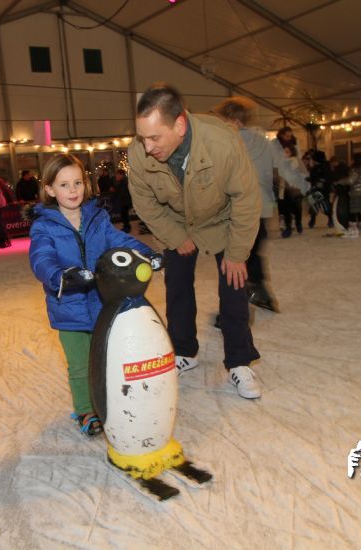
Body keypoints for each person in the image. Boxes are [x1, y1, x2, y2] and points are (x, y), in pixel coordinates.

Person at [128, 82, 262, 399]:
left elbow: (246, 198)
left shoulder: (222, 142)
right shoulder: (138, 152)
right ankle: (184, 351)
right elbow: (144, 203)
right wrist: (175, 237)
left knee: (233, 284)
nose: (146, 147)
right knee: (176, 284)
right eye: (142, 137)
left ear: (179, 125)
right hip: (176, 220)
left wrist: (237, 253)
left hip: (222, 219)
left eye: (154, 137)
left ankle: (239, 361)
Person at [28, 154, 157, 435]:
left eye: (77, 182)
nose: (72, 190)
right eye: (64, 185)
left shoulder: (97, 217)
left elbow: (120, 240)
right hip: (68, 308)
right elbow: (41, 258)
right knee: (80, 365)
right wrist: (60, 276)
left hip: (101, 304)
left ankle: (110, 401)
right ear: (50, 189)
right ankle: (86, 409)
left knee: (108, 359)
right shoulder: (44, 225)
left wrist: (146, 254)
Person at [211, 96, 279, 312]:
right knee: (253, 253)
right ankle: (260, 292)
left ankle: (234, 309)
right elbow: (272, 173)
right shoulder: (263, 142)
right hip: (262, 208)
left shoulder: (229, 142)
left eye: (223, 120)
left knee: (234, 259)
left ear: (234, 120)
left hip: (239, 210)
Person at [344, 153, 361, 238]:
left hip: (355, 194)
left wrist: (340, 182)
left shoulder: (355, 170)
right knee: (358, 211)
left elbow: (350, 180)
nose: (351, 161)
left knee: (352, 211)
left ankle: (353, 230)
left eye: (352, 159)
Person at [113, 168, 133, 233]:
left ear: (121, 175)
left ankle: (127, 227)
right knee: (124, 215)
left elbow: (122, 193)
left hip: (125, 202)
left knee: (125, 215)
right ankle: (126, 227)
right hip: (124, 201)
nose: (116, 176)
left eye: (117, 175)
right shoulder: (122, 182)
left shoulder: (124, 182)